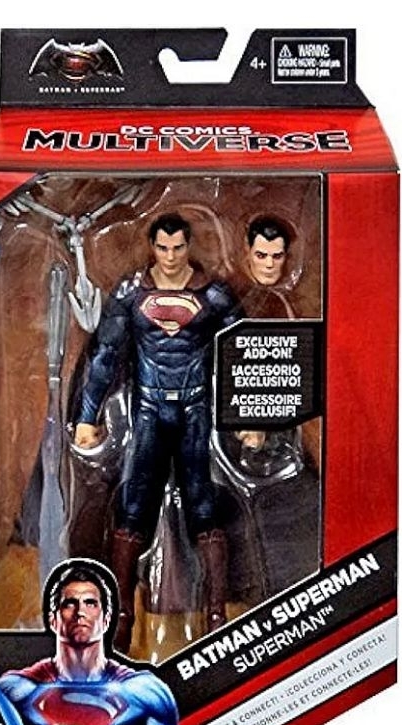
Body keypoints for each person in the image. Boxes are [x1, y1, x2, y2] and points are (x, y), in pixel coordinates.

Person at [74, 213, 256, 651]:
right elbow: (105, 355)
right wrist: (87, 416)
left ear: (188, 246)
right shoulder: (131, 294)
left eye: (177, 248)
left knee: (202, 505)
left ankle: (216, 615)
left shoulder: (213, 295)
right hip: (149, 411)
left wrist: (251, 416)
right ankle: (121, 616)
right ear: (152, 247)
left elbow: (245, 352)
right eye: (162, 248)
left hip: (196, 410)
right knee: (135, 506)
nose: (170, 257)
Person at [0, 560, 190, 725]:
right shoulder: (16, 691)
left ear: (106, 620)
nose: (80, 612)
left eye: (90, 603)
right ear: (53, 620)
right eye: (69, 603)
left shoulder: (145, 693)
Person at [239, 215, 297, 319]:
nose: (269, 264)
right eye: (261, 256)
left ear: (287, 256)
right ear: (248, 251)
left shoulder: (283, 299)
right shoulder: (233, 293)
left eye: (277, 256)